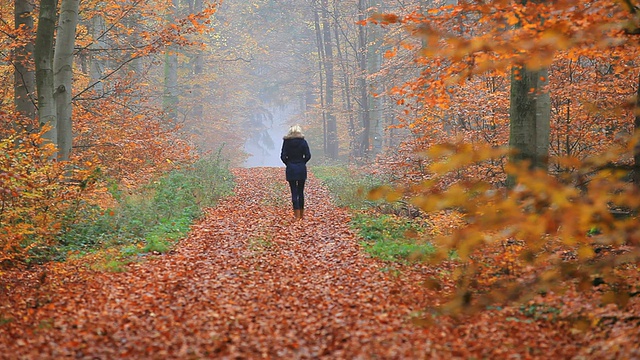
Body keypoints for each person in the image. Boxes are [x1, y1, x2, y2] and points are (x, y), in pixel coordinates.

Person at [280, 125, 311, 220]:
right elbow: (308, 155)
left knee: (293, 191)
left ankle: (296, 215)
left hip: (291, 169)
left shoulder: (286, 142)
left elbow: (283, 156)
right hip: (301, 168)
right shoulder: (303, 142)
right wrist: (302, 162)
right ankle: (301, 214)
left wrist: (288, 163)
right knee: (301, 192)